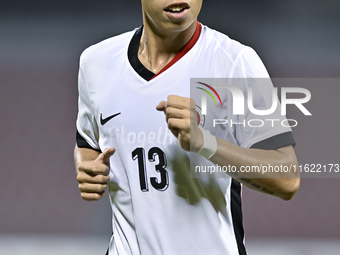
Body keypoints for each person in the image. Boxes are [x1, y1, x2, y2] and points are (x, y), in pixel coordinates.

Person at [74, 0, 300, 254]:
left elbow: (287, 178)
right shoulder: (96, 62)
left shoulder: (233, 62)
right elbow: (87, 143)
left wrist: (206, 143)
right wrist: (88, 170)